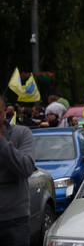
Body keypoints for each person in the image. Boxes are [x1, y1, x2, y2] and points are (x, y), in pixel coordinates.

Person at [0, 96, 37, 245]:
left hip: (14, 221)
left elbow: (26, 168)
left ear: (4, 113)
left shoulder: (22, 133)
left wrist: (1, 141)